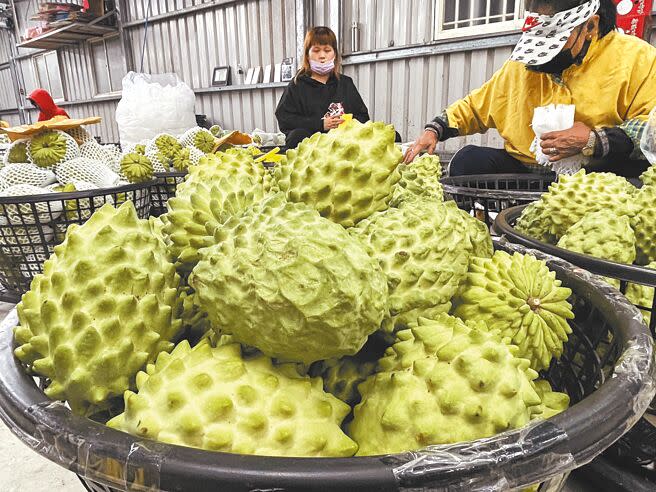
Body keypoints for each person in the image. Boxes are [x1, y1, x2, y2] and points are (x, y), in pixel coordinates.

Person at [405, 0, 656, 179]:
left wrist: (594, 140)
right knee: (468, 160)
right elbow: (476, 106)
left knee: (636, 174)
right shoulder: (523, 66)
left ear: (590, 26)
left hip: (594, 178)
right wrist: (434, 130)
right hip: (526, 171)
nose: (545, 57)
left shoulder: (636, 59)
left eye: (555, 43)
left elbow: (651, 133)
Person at [275, 26, 371, 149]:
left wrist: (346, 123)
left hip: (343, 143)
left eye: (327, 50)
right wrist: (320, 124)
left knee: (394, 136)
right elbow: (285, 118)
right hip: (312, 147)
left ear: (335, 54)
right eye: (316, 50)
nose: (322, 56)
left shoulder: (345, 83)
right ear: (307, 55)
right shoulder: (297, 85)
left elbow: (363, 117)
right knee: (297, 136)